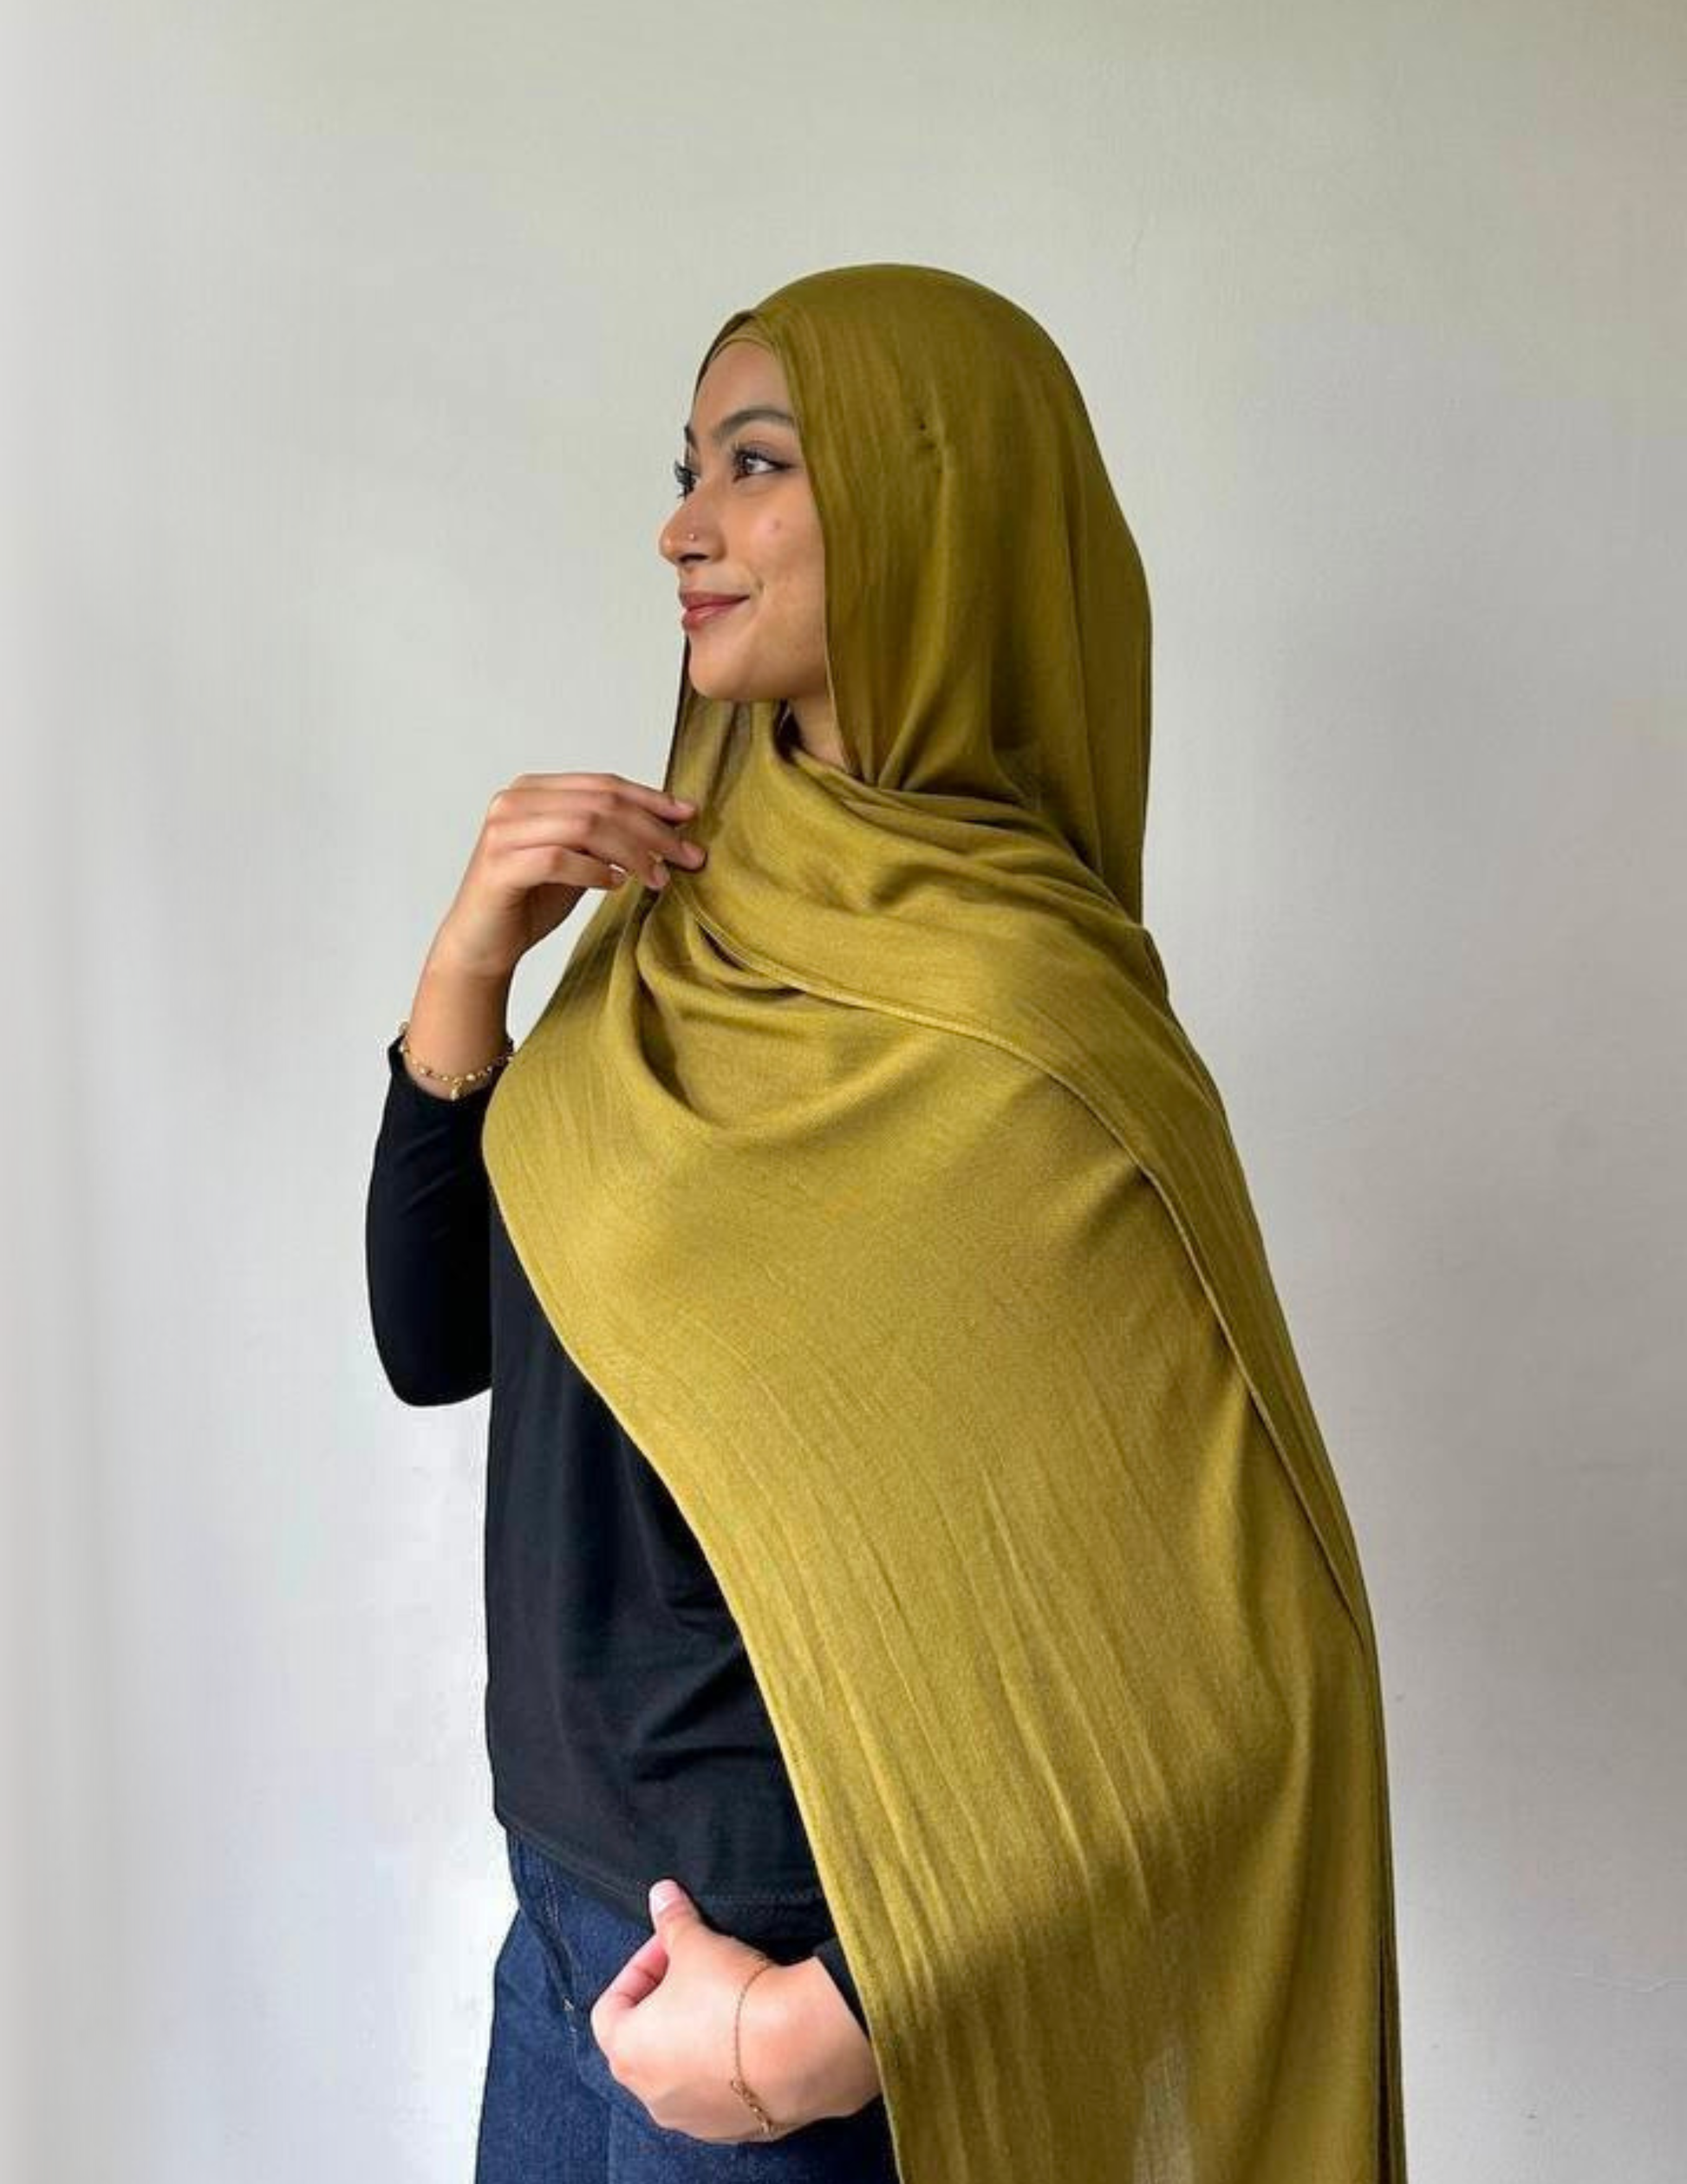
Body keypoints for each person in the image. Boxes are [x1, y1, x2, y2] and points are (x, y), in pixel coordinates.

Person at [368, 264, 1409, 2184]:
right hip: (562, 1942)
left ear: (938, 513)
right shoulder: (677, 910)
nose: (682, 527)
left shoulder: (1024, 1020)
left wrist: (826, 2023)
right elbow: (439, 1349)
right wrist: (464, 979)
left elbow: (1251, 1672)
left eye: (756, 466)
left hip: (769, 1986)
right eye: (686, 469)